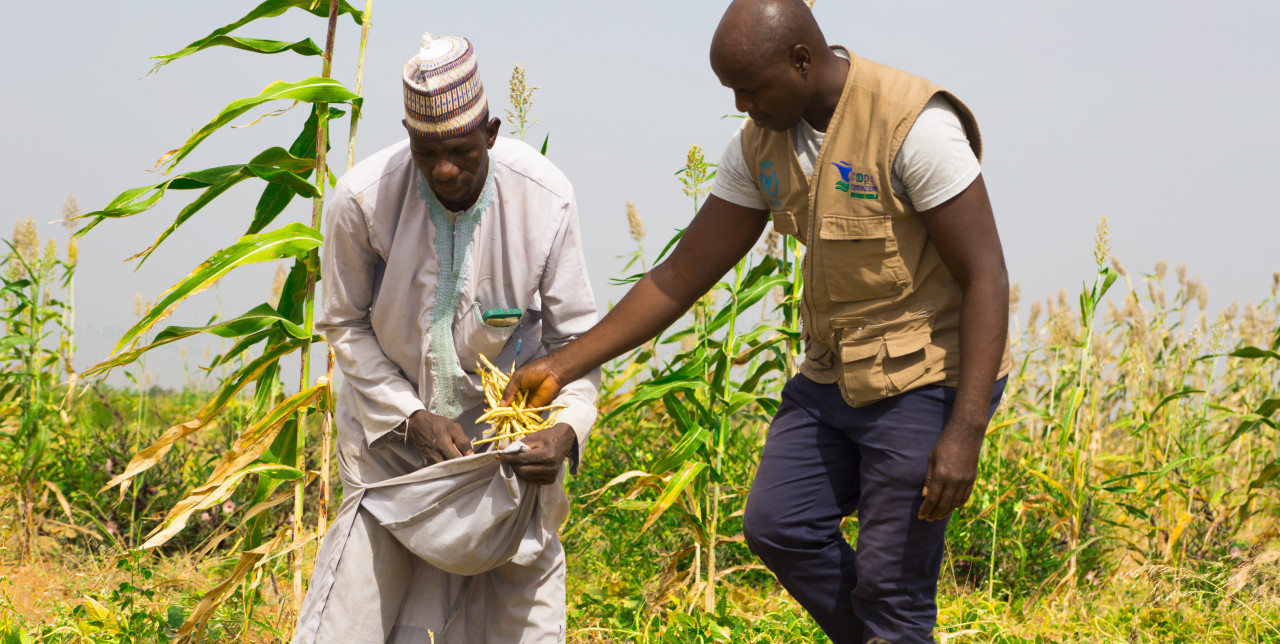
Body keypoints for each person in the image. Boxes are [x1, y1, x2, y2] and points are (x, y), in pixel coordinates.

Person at [503, 1, 1012, 642]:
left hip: (925, 379)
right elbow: (678, 276)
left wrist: (965, 430)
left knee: (891, 587)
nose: (742, 105)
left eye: (751, 88)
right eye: (732, 91)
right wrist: (561, 363)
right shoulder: (760, 148)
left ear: (803, 61)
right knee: (778, 524)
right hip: (833, 378)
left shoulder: (914, 125)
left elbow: (987, 276)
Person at [292, 33, 599, 644]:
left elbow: (577, 342)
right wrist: (413, 419)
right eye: (426, 152)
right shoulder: (360, 199)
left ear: (491, 130)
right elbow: (344, 324)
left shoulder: (545, 200)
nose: (444, 170)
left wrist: (564, 432)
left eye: (460, 149)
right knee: (354, 613)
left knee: (522, 613)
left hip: (507, 452)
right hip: (393, 453)